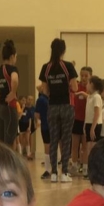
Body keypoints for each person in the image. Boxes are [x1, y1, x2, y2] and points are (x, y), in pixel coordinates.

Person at [39, 38, 78, 182]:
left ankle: (54, 173)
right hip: (67, 106)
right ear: (64, 50)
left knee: (53, 139)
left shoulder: (46, 67)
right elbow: (75, 87)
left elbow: (45, 91)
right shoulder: (68, 66)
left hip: (52, 107)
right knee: (66, 139)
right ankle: (64, 173)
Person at [72, 66, 92, 176]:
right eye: (82, 75)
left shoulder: (90, 90)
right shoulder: (76, 87)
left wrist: (86, 95)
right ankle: (74, 166)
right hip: (76, 120)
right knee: (74, 146)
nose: (83, 78)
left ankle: (85, 167)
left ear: (90, 76)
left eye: (86, 76)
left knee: (85, 146)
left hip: (86, 121)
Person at [83, 76, 104, 172]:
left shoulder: (97, 97)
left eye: (88, 83)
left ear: (92, 84)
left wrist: (92, 128)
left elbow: (97, 113)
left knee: (93, 149)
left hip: (95, 124)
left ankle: (95, 169)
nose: (86, 85)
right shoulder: (90, 97)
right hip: (88, 123)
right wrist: (85, 125)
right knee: (88, 148)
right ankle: (89, 169)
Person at [35, 82, 51, 178]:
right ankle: (55, 170)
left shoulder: (41, 100)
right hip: (54, 125)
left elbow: (37, 115)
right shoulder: (53, 98)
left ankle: (48, 170)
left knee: (47, 147)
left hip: (46, 126)